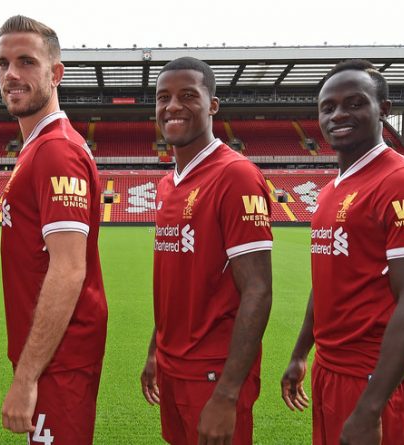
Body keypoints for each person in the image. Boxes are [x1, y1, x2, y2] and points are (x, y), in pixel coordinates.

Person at [280, 59, 404, 445]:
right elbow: (327, 283)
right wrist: (301, 353)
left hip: (379, 383)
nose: (338, 114)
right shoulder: (330, 191)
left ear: (383, 109)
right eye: (328, 106)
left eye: (354, 103)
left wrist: (371, 407)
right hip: (331, 371)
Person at [141, 57, 274, 445]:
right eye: (163, 97)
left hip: (214, 373)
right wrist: (155, 350)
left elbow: (258, 289)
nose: (172, 106)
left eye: (187, 95)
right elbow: (176, 284)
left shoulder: (236, 176)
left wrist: (228, 393)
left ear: (212, 105)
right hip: (173, 365)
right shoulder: (168, 184)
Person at [0, 15, 107, 445]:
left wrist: (26, 378)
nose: (11, 74)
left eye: (26, 61)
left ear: (55, 73)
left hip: (59, 358)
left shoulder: (56, 151)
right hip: (52, 355)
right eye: (3, 63)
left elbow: (69, 269)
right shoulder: (38, 148)